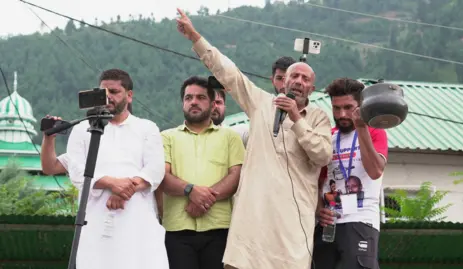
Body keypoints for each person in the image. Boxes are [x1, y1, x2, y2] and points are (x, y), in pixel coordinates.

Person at [175, 8, 333, 269]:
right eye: (294, 76)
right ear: (282, 82)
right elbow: (230, 73)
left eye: (305, 79)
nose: (298, 81)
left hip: (292, 232)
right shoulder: (261, 103)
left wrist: (296, 118)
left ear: (312, 89)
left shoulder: (318, 119)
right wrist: (195, 37)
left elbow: (322, 155)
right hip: (253, 228)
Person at [65, 69, 169, 269]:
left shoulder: (147, 128)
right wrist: (112, 183)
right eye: (104, 92)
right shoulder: (82, 129)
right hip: (95, 220)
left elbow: (155, 169)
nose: (108, 97)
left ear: (129, 95)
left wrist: (123, 191)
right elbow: (76, 171)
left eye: (114, 92)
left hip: (138, 222)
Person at [160, 76, 245, 269]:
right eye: (188, 98)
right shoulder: (167, 137)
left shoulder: (230, 138)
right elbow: (163, 177)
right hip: (177, 230)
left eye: (200, 97)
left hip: (220, 229)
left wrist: (203, 200)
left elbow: (236, 176)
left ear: (212, 103)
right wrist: (191, 190)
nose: (194, 102)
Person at [313, 78, 388, 269]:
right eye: (336, 108)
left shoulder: (374, 131)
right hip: (328, 224)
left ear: (360, 106)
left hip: (360, 220)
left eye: (348, 107)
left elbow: (375, 170)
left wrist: (361, 127)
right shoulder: (327, 136)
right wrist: (318, 208)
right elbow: (317, 181)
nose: (342, 114)